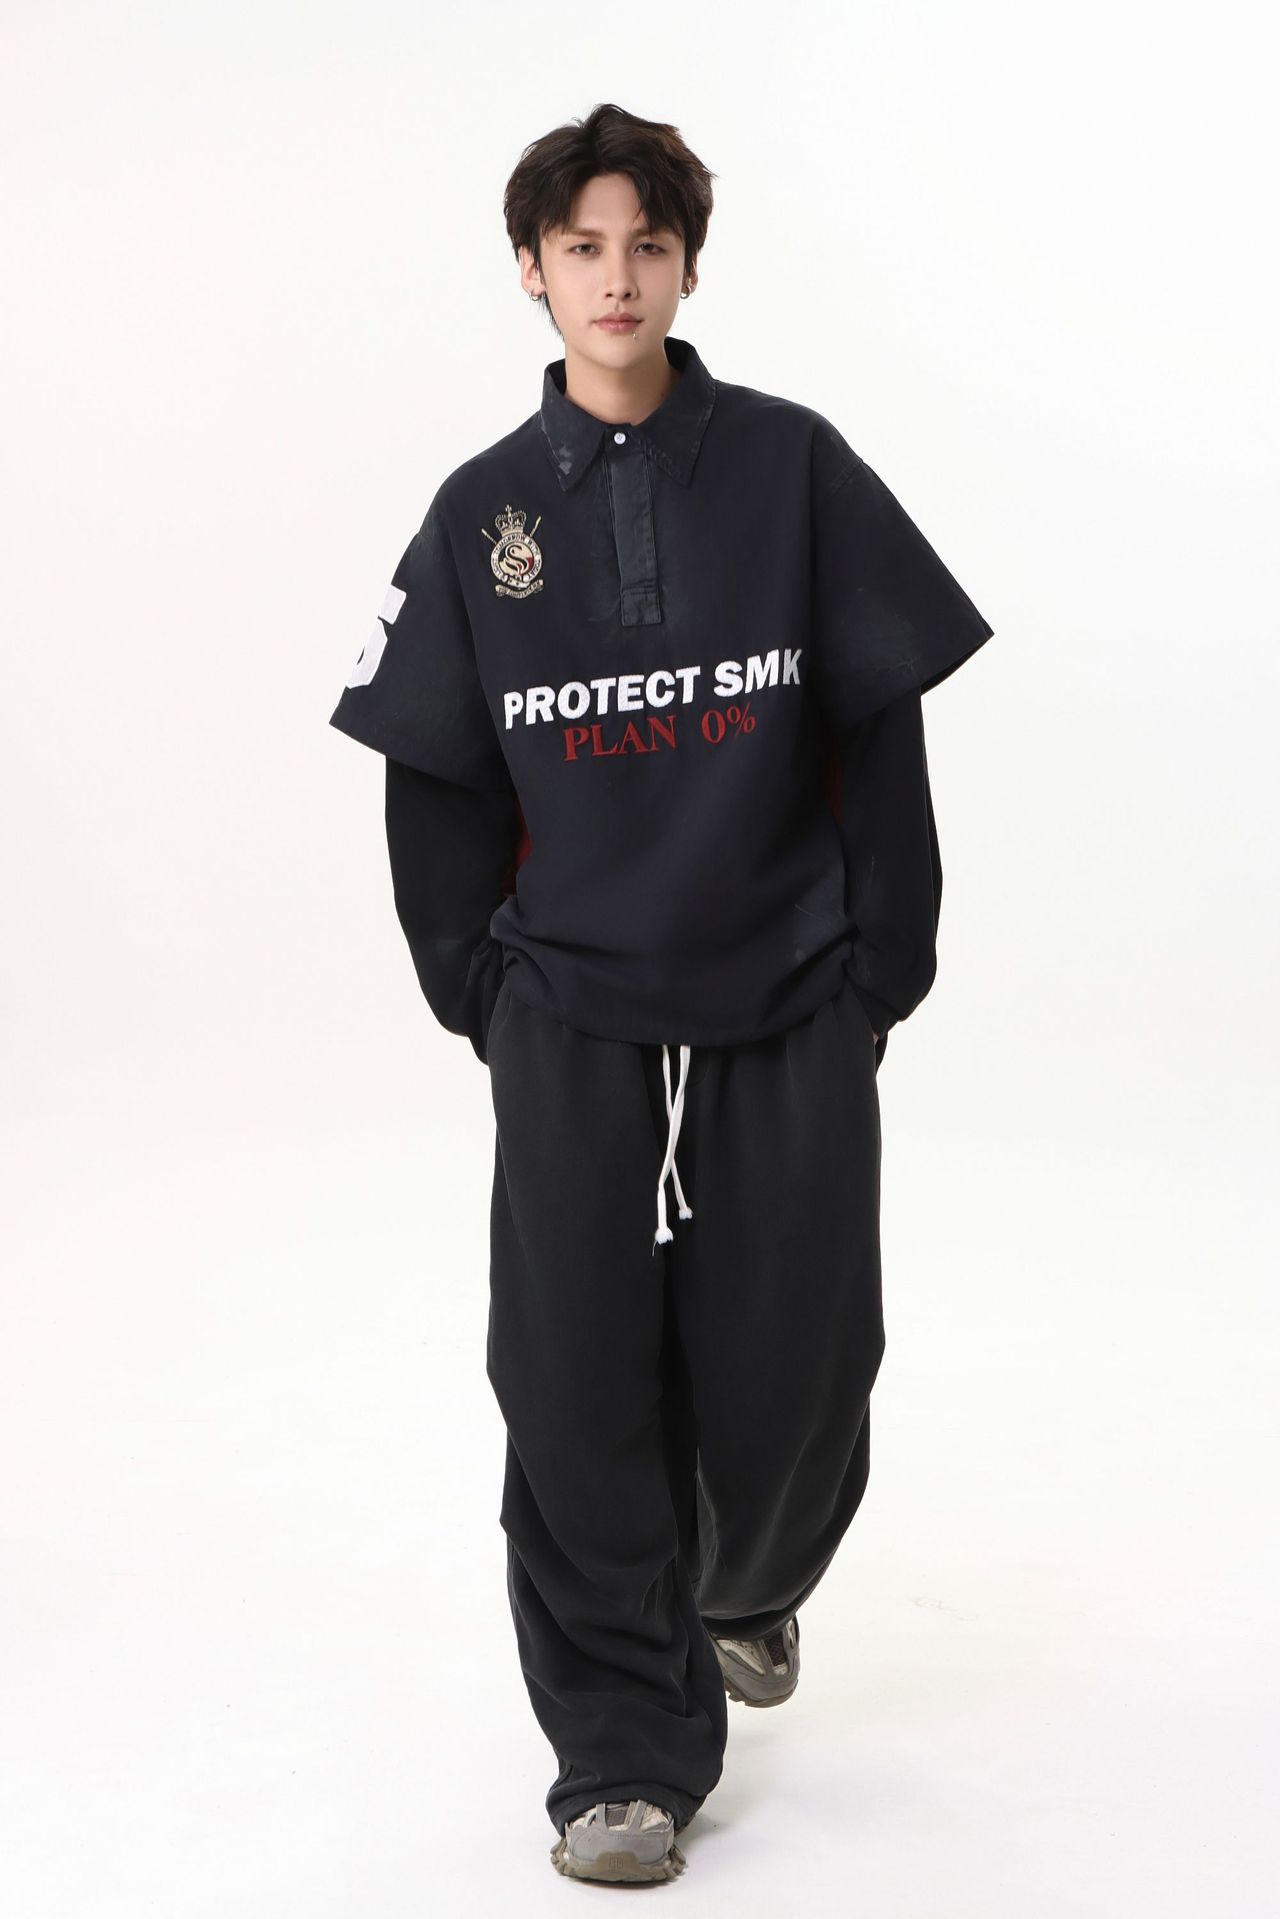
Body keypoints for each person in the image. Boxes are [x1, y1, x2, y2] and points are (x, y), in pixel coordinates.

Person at [328, 102, 994, 1886]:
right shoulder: (481, 515)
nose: (615, 278)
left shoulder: (792, 468)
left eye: (647, 245)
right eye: (582, 249)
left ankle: (743, 1584)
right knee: (571, 1382)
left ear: (688, 265)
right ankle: (620, 1756)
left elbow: (878, 725)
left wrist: (881, 966)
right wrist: (486, 991)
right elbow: (436, 776)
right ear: (531, 272)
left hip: (786, 981)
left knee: (801, 1367)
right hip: (570, 1002)